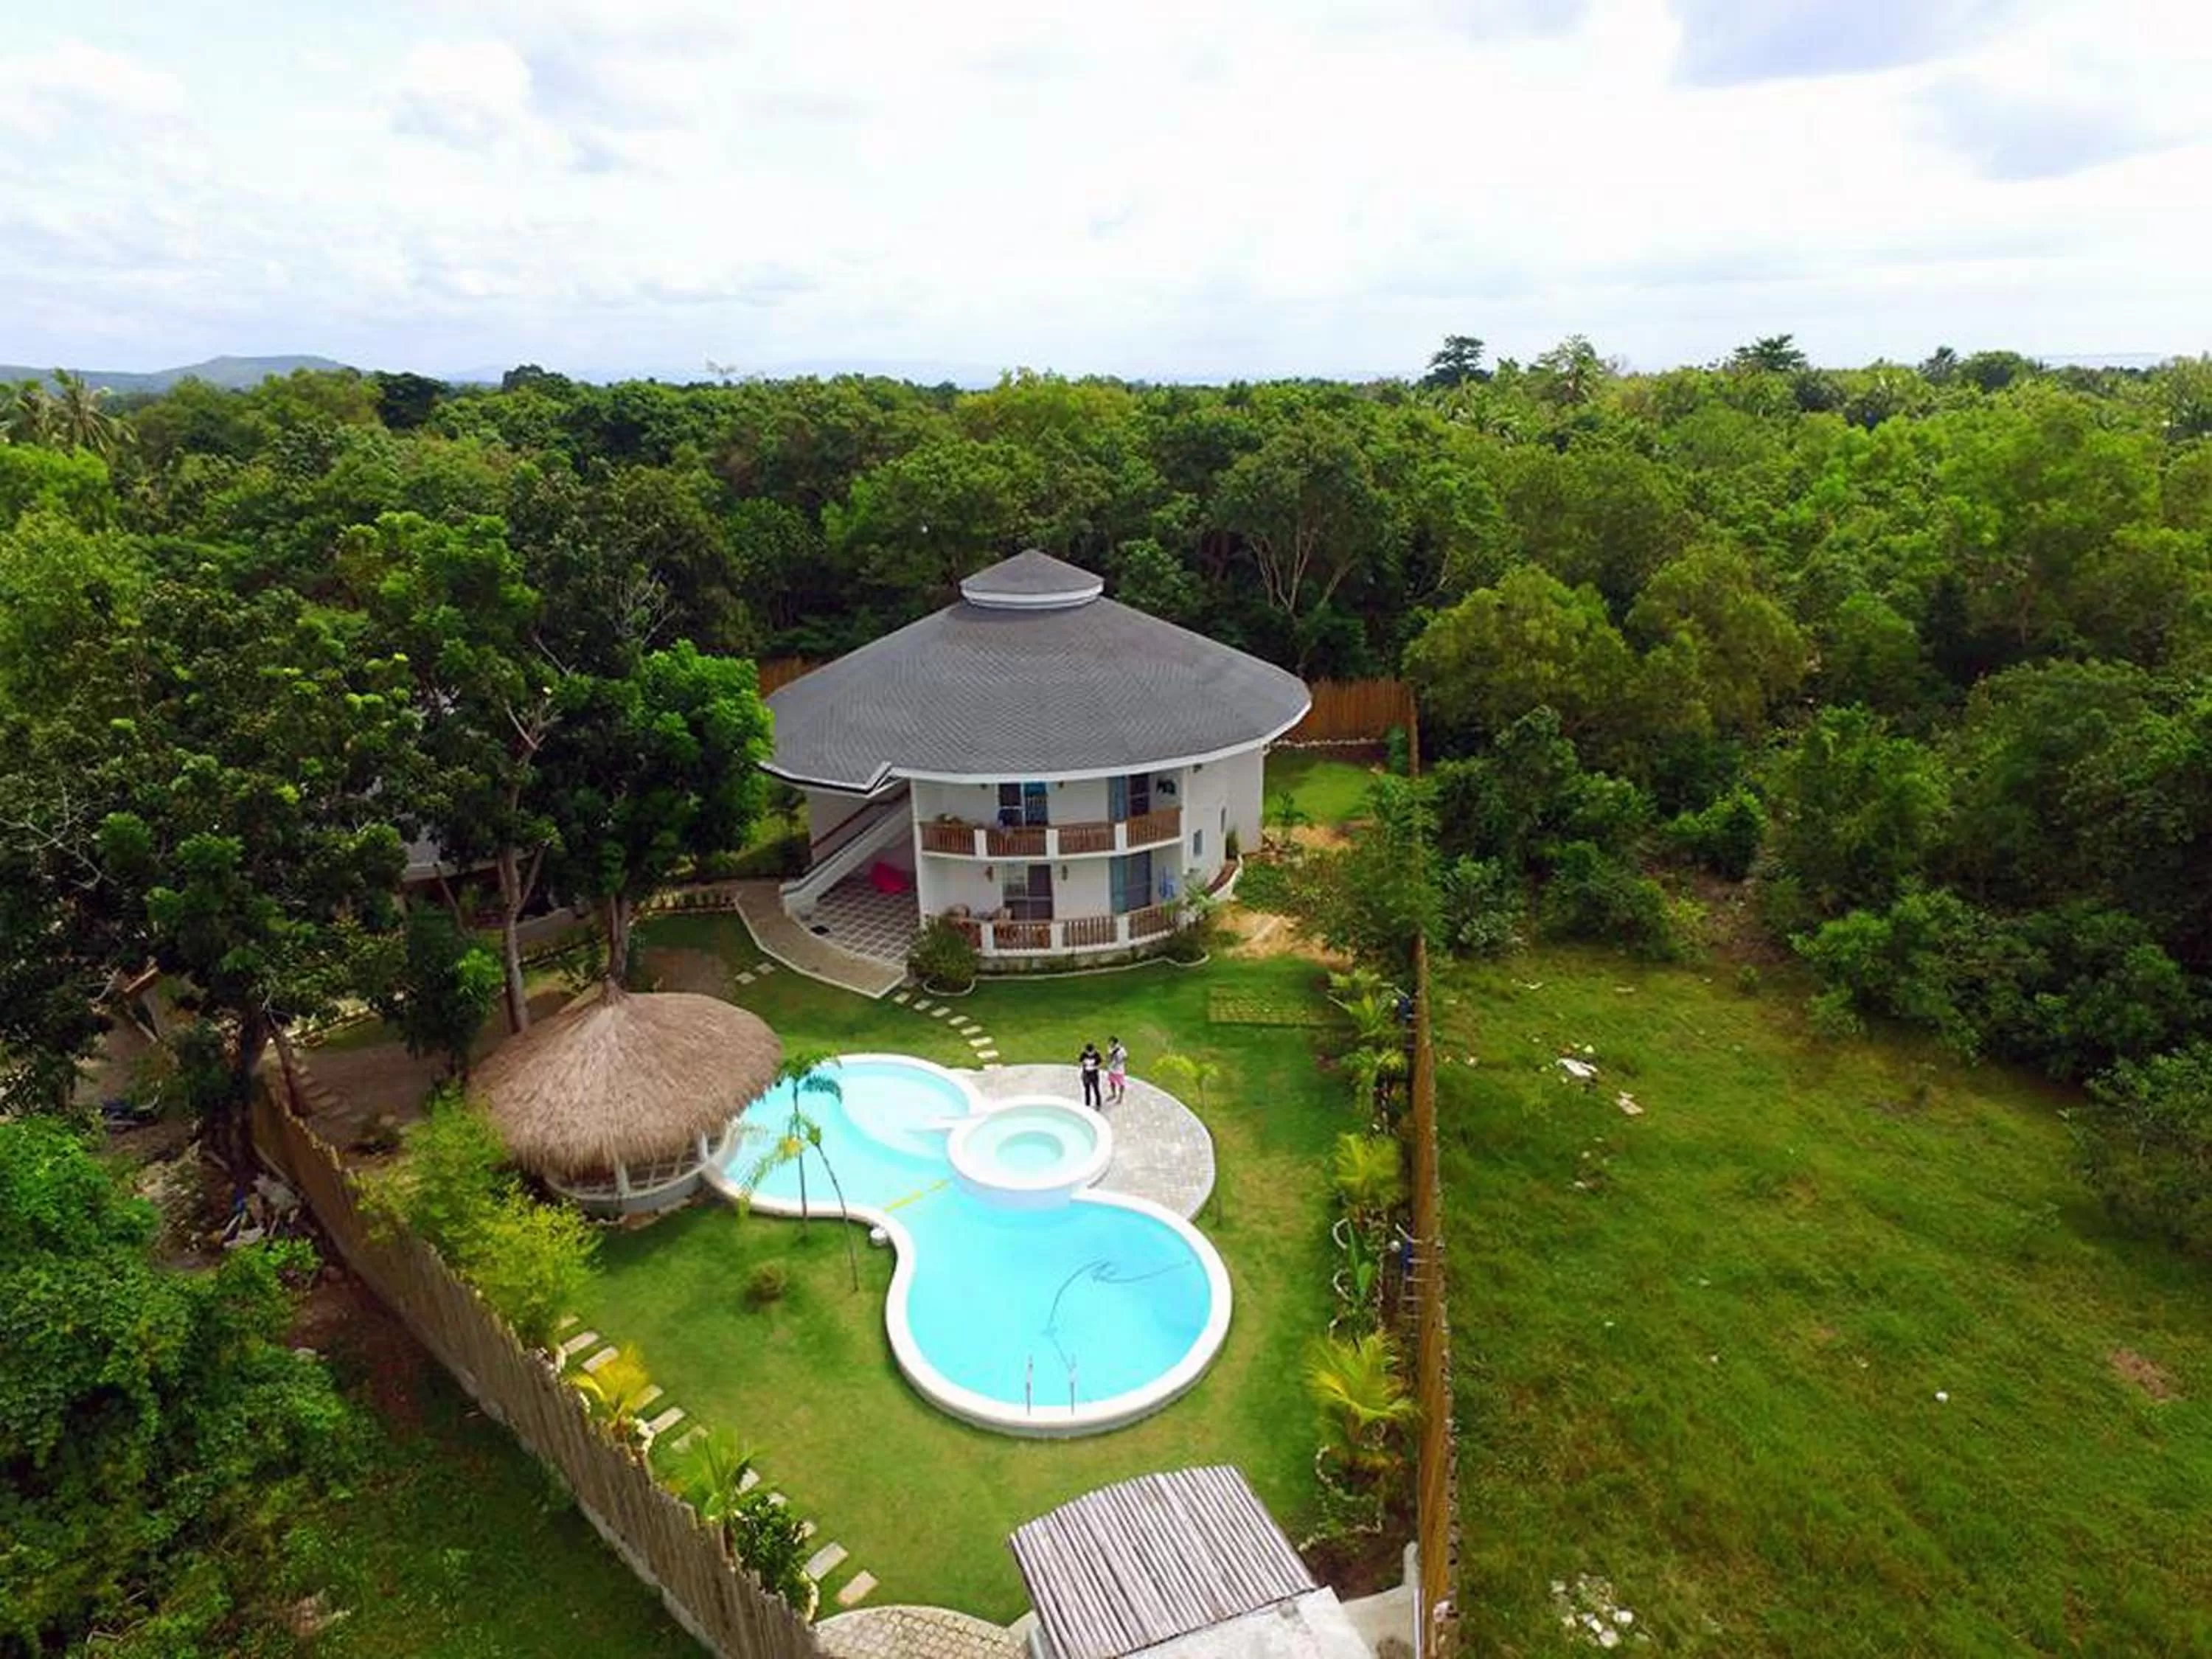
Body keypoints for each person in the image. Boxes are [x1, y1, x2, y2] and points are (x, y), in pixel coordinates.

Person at [1078, 1041, 1103, 1110]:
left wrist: (1095, 1067)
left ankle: (1098, 1104)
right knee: (1087, 1090)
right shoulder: (1084, 1054)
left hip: (1094, 1074)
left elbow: (1100, 1063)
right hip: (1086, 1074)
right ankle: (1087, 1104)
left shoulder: (1097, 1054)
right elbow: (1080, 1061)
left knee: (1096, 1089)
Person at [1106, 1036, 1128, 1105]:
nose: (1110, 1044)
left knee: (1121, 1084)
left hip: (1119, 1070)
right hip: (1111, 1069)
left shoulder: (1121, 1049)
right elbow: (1109, 1057)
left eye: (1111, 1042)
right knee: (1112, 1082)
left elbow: (1125, 1057)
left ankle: (1120, 1097)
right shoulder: (1109, 1048)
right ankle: (1113, 1094)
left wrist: (1119, 1061)